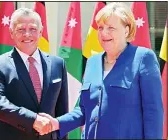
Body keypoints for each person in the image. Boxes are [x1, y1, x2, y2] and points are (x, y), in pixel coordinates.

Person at [39, 2, 164, 139]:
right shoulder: (92, 62)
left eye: (111, 28)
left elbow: (153, 112)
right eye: (100, 28)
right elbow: (84, 110)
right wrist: (56, 123)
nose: (104, 33)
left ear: (126, 30)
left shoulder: (143, 58)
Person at [0, 8, 68, 140]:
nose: (27, 34)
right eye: (21, 29)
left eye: (33, 29)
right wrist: (32, 119)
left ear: (41, 32)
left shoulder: (58, 64)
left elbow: (62, 112)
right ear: (11, 33)